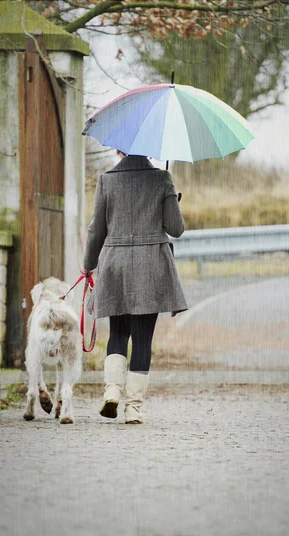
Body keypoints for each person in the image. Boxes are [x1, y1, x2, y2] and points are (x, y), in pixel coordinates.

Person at [82, 152, 187, 424]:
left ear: (119, 149)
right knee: (142, 339)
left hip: (115, 265)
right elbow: (176, 228)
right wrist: (172, 201)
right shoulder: (162, 178)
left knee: (118, 333)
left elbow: (96, 230)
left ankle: (112, 391)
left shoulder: (107, 180)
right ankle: (134, 408)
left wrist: (87, 265)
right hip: (150, 266)